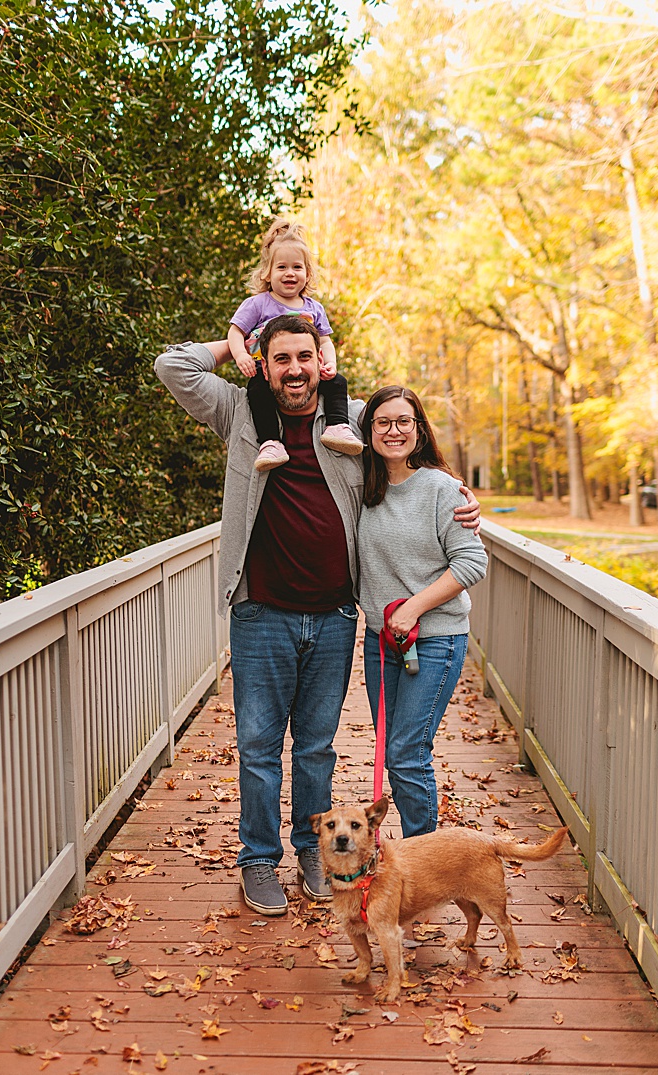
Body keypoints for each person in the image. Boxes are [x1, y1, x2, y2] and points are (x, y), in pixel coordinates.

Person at [154, 314, 479, 915]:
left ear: (320, 359)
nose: (295, 370)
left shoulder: (346, 417)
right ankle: (258, 859)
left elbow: (398, 435)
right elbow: (171, 366)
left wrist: (454, 488)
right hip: (262, 613)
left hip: (333, 616)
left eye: (306, 357)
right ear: (266, 364)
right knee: (256, 745)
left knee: (315, 749)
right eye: (281, 359)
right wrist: (235, 345)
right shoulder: (241, 411)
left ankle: (309, 848)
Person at [357, 386, 487, 838]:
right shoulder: (361, 484)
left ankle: (425, 858)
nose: (393, 431)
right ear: (368, 428)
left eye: (403, 422)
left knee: (408, 752)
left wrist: (412, 608)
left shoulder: (442, 488)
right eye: (382, 423)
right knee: (394, 750)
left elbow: (472, 562)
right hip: (382, 642)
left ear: (419, 428)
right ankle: (419, 855)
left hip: (435, 639)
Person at [196, 219, 361, 472]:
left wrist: (329, 364)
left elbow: (326, 341)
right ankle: (271, 443)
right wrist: (241, 354)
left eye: (297, 267)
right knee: (258, 393)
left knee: (337, 382)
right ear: (267, 273)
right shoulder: (258, 304)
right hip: (267, 371)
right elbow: (235, 332)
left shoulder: (313, 308)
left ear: (308, 274)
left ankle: (337, 426)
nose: (290, 273)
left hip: (307, 371)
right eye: (281, 267)